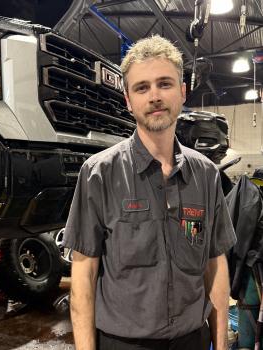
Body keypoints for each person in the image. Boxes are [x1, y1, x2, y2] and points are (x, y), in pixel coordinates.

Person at [63, 35, 237, 350]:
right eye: (142, 87)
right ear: (128, 100)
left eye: (165, 84)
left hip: (191, 339)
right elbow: (83, 275)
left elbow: (215, 263)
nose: (154, 96)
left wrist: (220, 345)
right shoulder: (99, 173)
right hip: (122, 342)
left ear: (182, 92)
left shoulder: (207, 175)